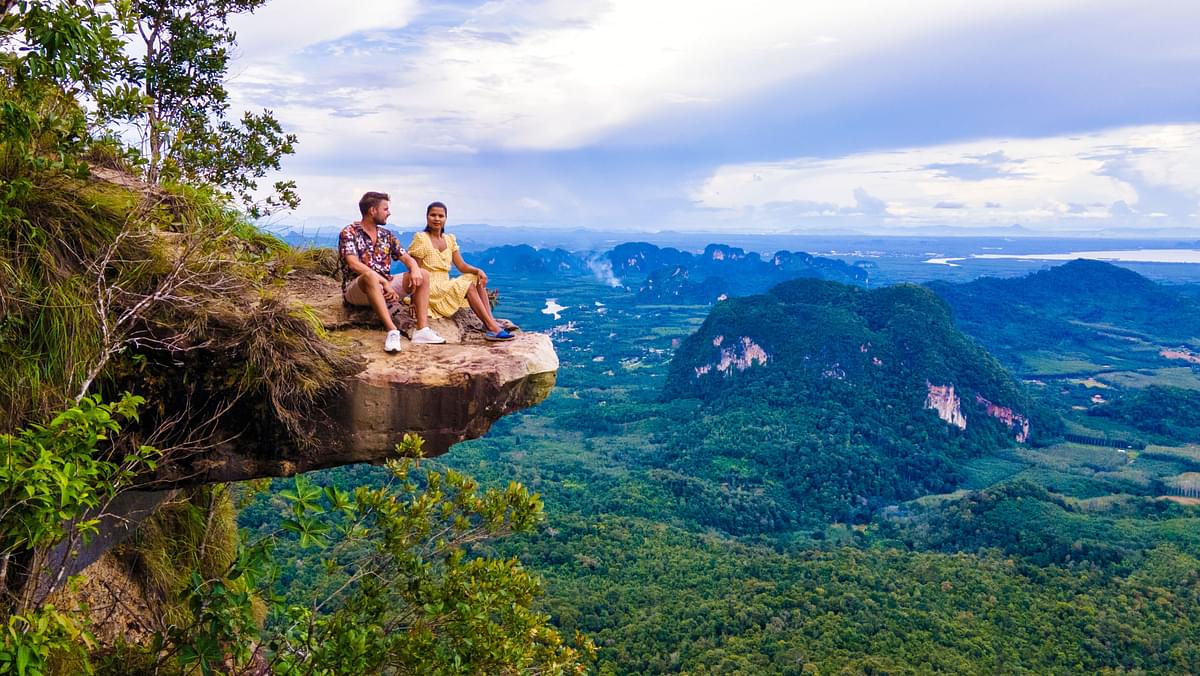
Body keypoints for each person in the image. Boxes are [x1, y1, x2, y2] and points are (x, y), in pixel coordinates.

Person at [339, 192, 446, 352]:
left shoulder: (386, 235)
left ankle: (422, 330)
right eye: (385, 209)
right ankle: (392, 331)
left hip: (385, 284)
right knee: (369, 276)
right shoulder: (349, 232)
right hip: (358, 289)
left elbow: (406, 257)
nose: (389, 212)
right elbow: (354, 264)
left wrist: (415, 269)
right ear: (372, 211)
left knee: (423, 274)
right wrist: (383, 283)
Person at [407, 201, 515, 341]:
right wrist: (414, 300)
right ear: (427, 217)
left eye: (441, 216)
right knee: (466, 286)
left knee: (475, 279)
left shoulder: (449, 239)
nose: (437, 219)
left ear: (446, 218)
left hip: (444, 284)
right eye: (433, 215)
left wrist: (478, 270)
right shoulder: (421, 239)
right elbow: (415, 272)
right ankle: (492, 328)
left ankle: (489, 321)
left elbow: (461, 266)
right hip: (430, 287)